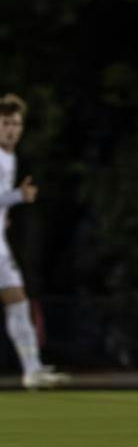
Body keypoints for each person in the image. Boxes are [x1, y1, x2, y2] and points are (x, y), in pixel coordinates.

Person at [0, 93, 68, 389]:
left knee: (17, 301)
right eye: (5, 123)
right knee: (17, 301)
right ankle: (32, 369)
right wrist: (18, 197)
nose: (12, 129)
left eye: (16, 123)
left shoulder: (8, 156)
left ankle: (32, 370)